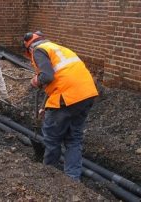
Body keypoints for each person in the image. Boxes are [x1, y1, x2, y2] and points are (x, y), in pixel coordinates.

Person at [23, 31, 99, 181]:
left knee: (52, 138)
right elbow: (59, 80)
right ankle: (72, 179)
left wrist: (35, 81)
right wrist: (46, 106)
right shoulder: (59, 49)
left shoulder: (38, 50)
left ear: (29, 48)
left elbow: (47, 76)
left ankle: (48, 175)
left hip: (67, 98)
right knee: (74, 139)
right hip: (87, 94)